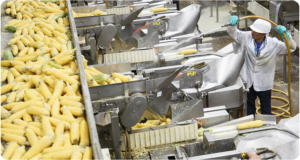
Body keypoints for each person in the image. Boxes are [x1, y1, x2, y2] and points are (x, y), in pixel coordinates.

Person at [227, 16, 297, 115]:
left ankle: (267, 127)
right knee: (249, 107)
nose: (252, 32)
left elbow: (291, 48)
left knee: (266, 109)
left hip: (264, 83)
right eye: (252, 29)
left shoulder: (273, 44)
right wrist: (231, 25)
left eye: (256, 31)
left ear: (264, 34)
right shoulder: (247, 37)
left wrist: (287, 36)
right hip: (248, 80)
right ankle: (251, 125)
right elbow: (235, 34)